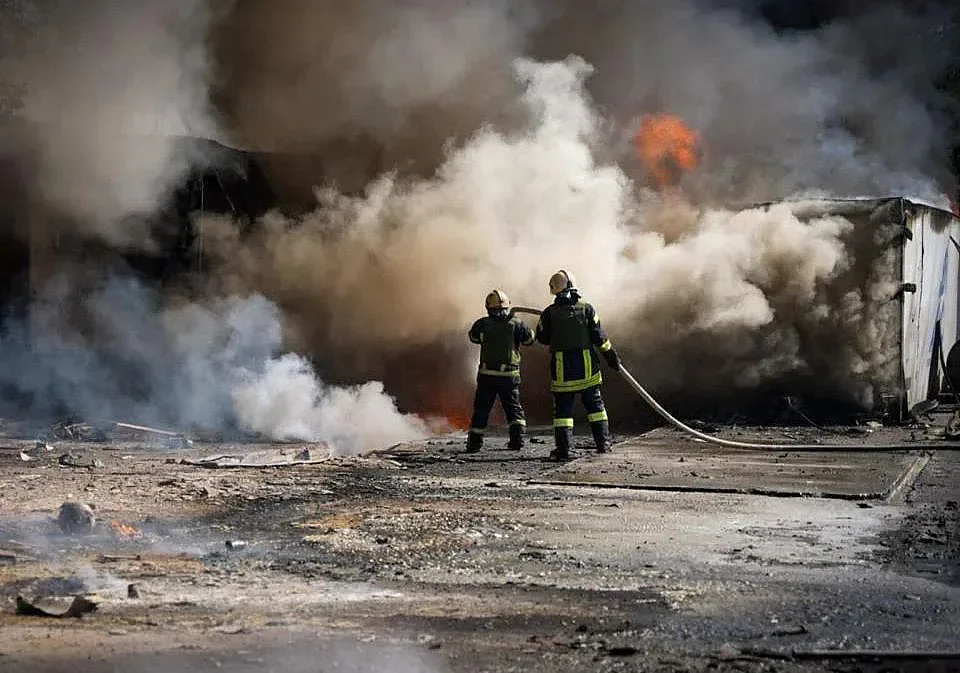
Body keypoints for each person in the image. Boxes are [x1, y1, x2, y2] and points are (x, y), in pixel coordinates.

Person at [535, 270, 621, 461]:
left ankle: (564, 450)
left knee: (563, 413)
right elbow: (600, 339)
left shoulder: (549, 313)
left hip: (562, 371)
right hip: (587, 369)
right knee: (596, 408)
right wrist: (611, 357)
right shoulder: (587, 309)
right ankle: (603, 445)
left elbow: (542, 338)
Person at [466, 289, 535, 452]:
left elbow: (473, 338)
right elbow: (530, 340)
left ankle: (474, 445)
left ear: (488, 307)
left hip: (486, 375)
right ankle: (517, 441)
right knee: (513, 409)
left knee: (482, 410)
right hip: (509, 376)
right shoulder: (516, 324)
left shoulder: (482, 324)